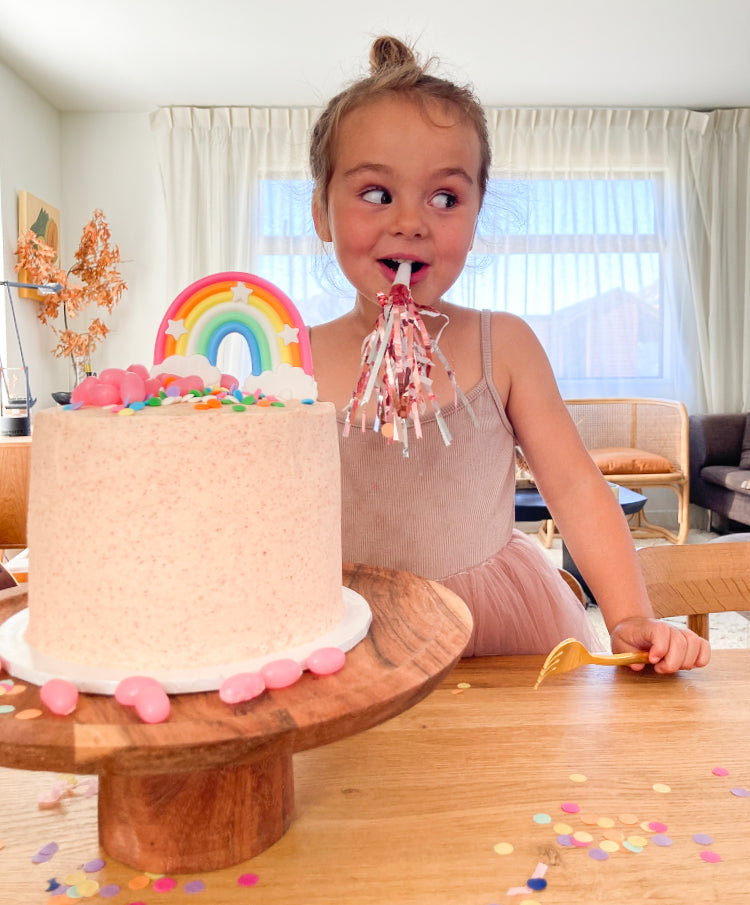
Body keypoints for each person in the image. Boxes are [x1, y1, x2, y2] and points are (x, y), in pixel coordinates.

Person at [307, 35, 710, 674]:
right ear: (321, 213)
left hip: (493, 630)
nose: (411, 221)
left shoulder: (506, 345)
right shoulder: (290, 360)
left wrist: (630, 614)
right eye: (377, 194)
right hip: (347, 631)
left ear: (475, 213)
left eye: (445, 198)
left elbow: (576, 487)